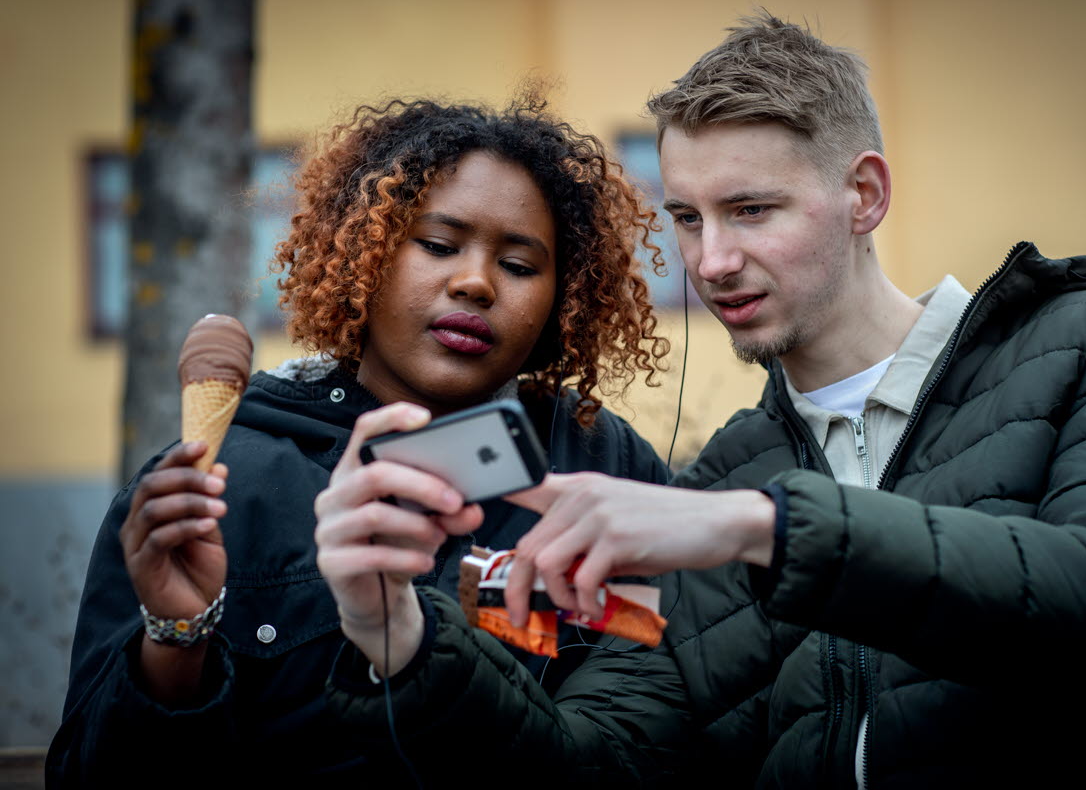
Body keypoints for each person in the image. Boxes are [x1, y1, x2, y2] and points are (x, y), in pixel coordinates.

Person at [320, 13, 1086, 789]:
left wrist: (765, 532)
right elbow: (595, 760)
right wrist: (396, 636)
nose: (710, 263)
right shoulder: (719, 485)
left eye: (750, 211)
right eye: (689, 219)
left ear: (864, 195)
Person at [47, 94, 673, 785]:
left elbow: (640, 745)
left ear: (566, 297)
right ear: (363, 255)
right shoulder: (218, 482)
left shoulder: (609, 469)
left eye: (520, 266)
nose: (474, 283)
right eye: (436, 245)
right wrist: (176, 640)